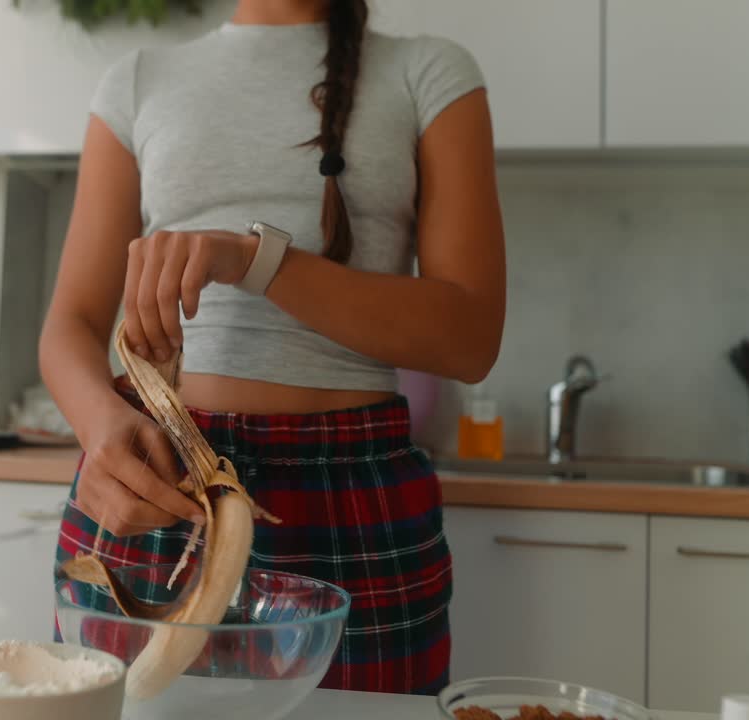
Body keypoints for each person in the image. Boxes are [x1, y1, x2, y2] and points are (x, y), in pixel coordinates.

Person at [40, 0, 506, 695]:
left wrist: (256, 260)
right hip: (157, 480)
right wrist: (101, 428)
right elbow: (70, 324)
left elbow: (470, 338)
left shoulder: (430, 73)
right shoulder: (137, 80)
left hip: (353, 496)